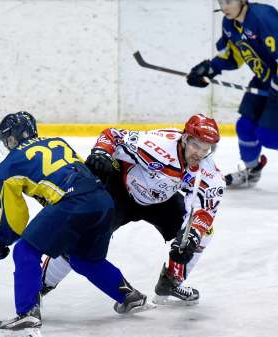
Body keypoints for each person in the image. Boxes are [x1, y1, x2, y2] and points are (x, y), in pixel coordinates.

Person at [0, 111, 152, 337]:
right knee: (84, 259)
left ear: (11, 138)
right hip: (103, 200)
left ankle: (27, 318)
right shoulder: (57, 142)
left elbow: (13, 219)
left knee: (25, 250)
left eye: (7, 139)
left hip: (73, 202)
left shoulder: (9, 165)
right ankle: (129, 296)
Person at [41, 113, 225, 306]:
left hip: (160, 201)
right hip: (120, 192)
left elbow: (205, 210)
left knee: (202, 234)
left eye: (206, 149)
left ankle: (171, 281)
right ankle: (41, 285)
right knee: (81, 237)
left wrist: (192, 237)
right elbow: (113, 136)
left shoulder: (208, 173)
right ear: (185, 138)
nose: (199, 154)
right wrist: (101, 153)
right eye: (196, 145)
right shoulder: (157, 145)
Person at [187, 0, 278, 188]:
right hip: (267, 76)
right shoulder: (229, 23)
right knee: (245, 126)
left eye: (229, 1)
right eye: (220, 1)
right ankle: (252, 171)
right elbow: (233, 56)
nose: (224, 7)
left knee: (269, 135)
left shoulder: (263, 17)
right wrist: (210, 69)